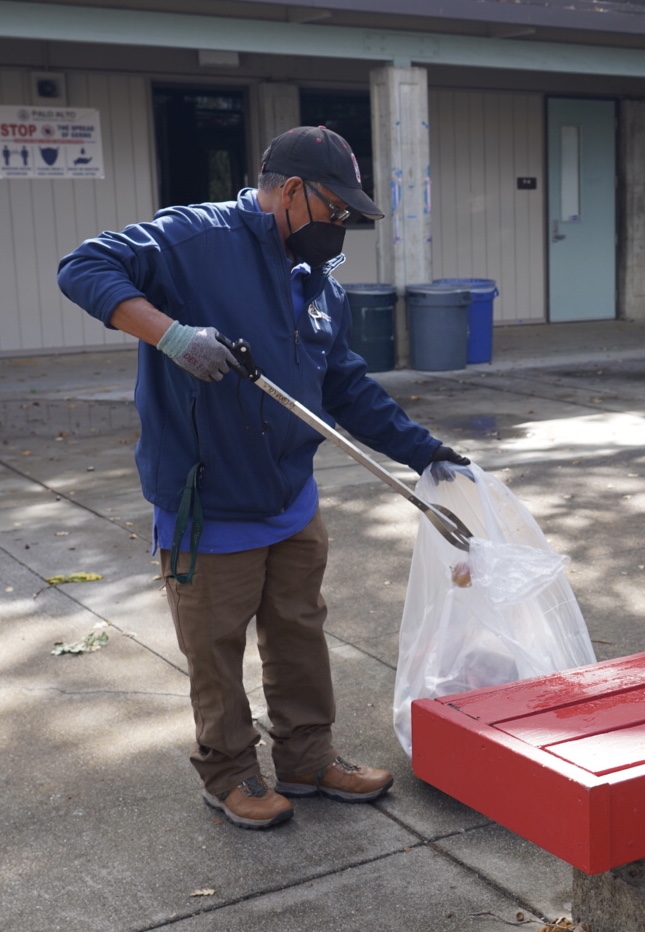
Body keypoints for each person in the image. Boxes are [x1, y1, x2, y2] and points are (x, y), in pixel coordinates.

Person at [57, 126, 470, 831]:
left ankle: (308, 759)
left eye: (348, 215)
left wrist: (425, 451)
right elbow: (84, 266)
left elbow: (343, 385)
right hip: (209, 504)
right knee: (216, 652)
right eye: (332, 208)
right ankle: (229, 774)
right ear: (287, 189)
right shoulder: (195, 238)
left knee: (299, 633)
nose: (339, 225)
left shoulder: (319, 288)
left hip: (289, 500)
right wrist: (172, 335)